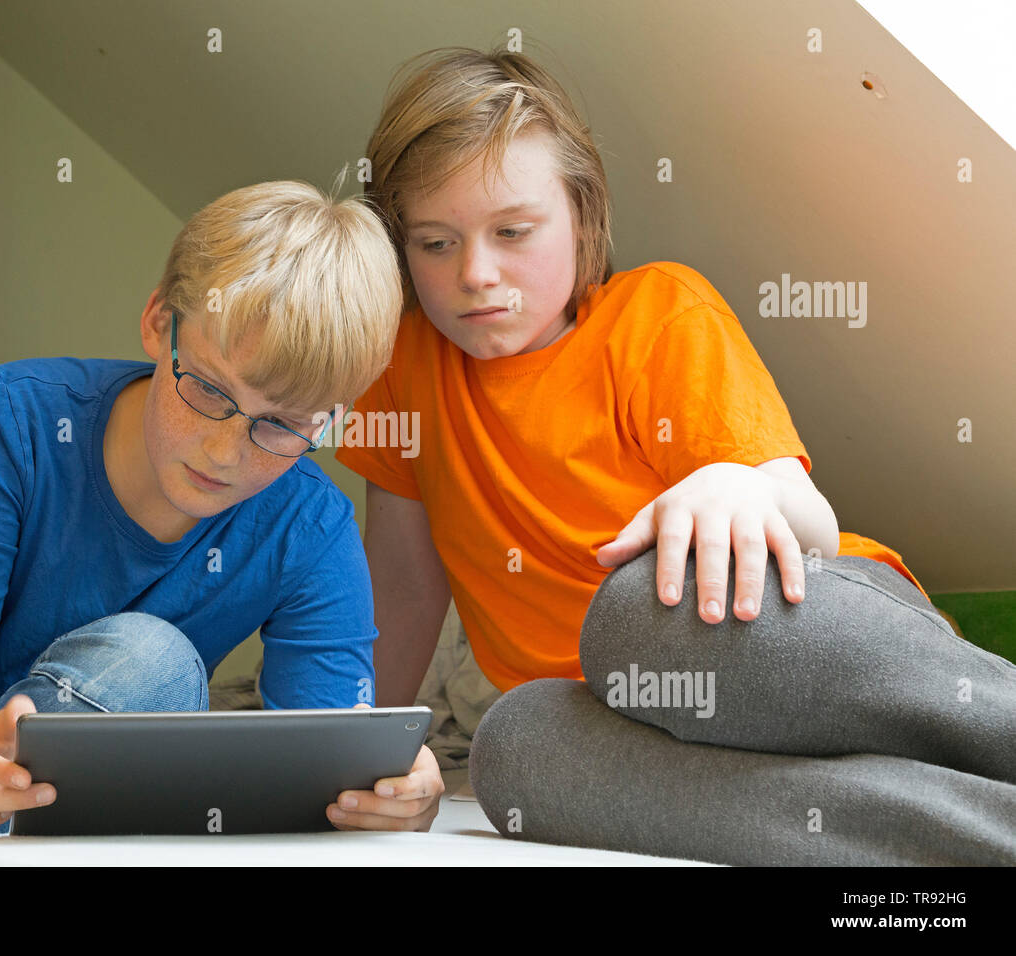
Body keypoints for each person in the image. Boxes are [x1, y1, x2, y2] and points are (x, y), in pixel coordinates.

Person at [335, 47, 1015, 865]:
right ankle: (973, 843)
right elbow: (404, 586)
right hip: (631, 718)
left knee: (633, 618)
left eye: (513, 232)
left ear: (582, 217)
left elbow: (811, 524)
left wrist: (736, 483)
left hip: (789, 638)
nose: (476, 273)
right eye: (435, 244)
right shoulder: (403, 363)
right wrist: (356, 760)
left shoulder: (657, 313)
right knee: (514, 750)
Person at [0, 178, 445, 867]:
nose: (225, 452)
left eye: (282, 426)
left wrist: (380, 801)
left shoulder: (311, 527)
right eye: (209, 391)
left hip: (58, 768)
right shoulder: (13, 421)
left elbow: (314, 769)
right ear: (160, 323)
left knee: (149, 662)